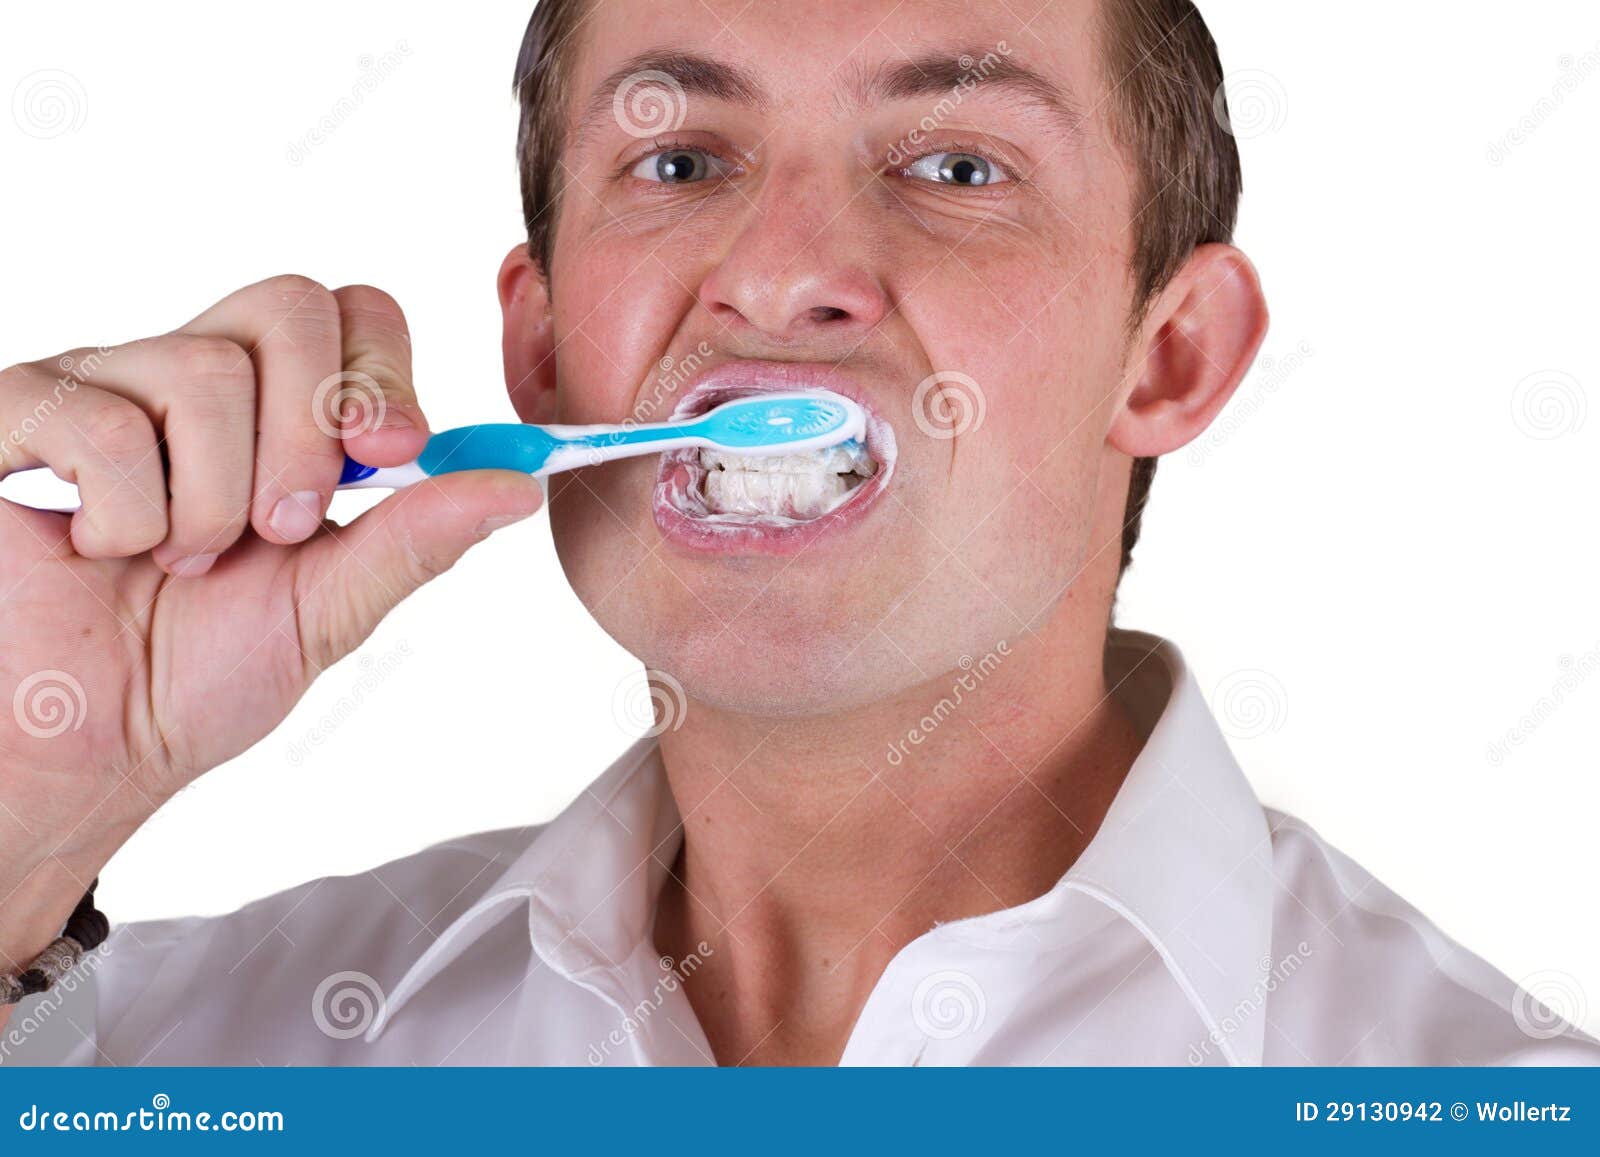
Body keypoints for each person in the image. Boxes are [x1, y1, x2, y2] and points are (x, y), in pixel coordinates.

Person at [1, 0, 1594, 1066]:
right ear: (546, 356)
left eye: (955, 165)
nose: (779, 269)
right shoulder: (144, 1050)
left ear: (1166, 355)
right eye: (680, 160)